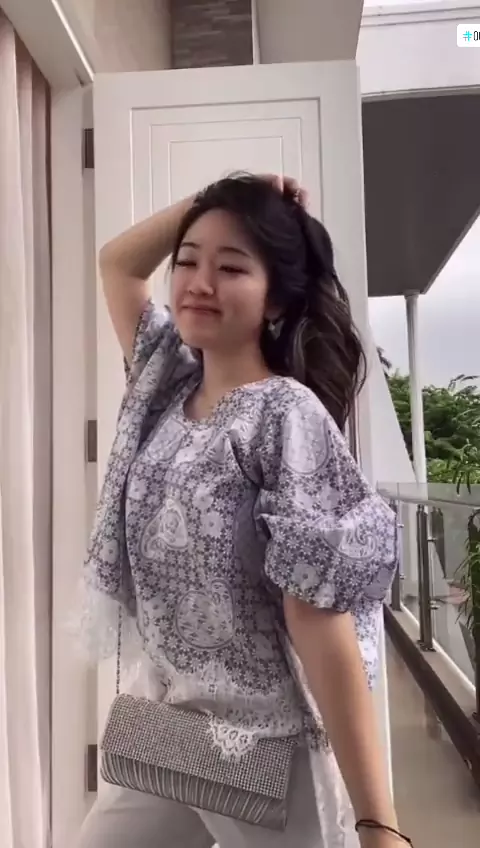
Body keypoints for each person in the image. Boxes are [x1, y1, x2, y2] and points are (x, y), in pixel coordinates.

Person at [77, 174, 406, 848]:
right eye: (188, 261)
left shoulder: (286, 415)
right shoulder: (166, 384)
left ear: (275, 298)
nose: (199, 283)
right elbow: (117, 263)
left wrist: (379, 822)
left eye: (231, 268)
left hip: (266, 746)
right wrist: (217, 195)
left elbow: (320, 619)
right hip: (170, 725)